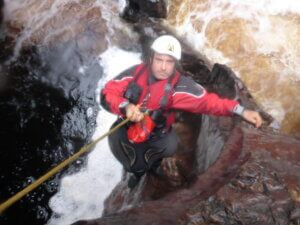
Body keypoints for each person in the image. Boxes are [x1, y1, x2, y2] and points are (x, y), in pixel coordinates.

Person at [100, 35, 262, 189]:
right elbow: (108, 92)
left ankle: (153, 165)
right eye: (159, 60)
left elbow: (209, 103)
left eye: (169, 62)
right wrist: (125, 107)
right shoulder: (135, 74)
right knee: (133, 162)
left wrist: (241, 111)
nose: (163, 67)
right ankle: (138, 173)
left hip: (158, 130)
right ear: (151, 59)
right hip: (127, 127)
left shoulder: (181, 87)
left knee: (169, 147)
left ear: (174, 64)